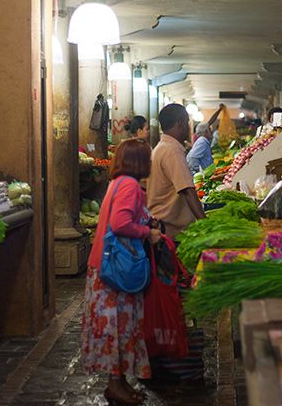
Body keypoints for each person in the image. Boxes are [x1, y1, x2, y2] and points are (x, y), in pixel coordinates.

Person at [80, 139, 162, 405]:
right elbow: (120, 224)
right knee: (118, 328)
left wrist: (146, 219)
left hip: (106, 266)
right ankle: (116, 386)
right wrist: (147, 232)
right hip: (116, 270)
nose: (150, 162)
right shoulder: (128, 184)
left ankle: (120, 383)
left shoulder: (118, 182)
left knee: (119, 328)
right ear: (140, 161)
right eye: (147, 158)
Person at [148, 103, 207, 242]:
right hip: (171, 233)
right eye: (187, 122)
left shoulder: (160, 148)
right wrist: (207, 225)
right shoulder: (172, 151)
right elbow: (188, 192)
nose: (189, 127)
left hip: (162, 227)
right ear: (180, 123)